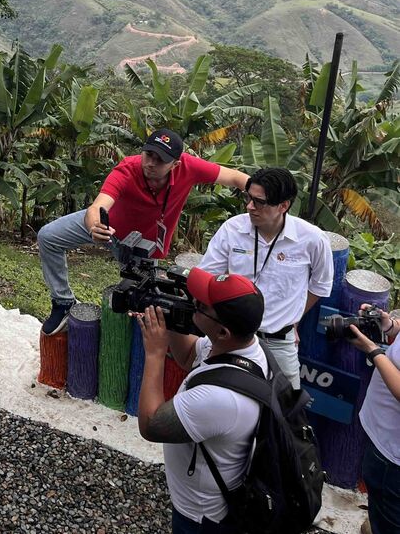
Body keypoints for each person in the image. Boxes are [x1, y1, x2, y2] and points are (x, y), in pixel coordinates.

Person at [38, 128, 249, 334]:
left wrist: (262, 195)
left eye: (160, 159)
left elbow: (235, 178)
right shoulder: (128, 168)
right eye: (148, 154)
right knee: (48, 237)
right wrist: (95, 226)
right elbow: (98, 206)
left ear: (176, 164)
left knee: (141, 304)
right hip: (108, 229)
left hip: (143, 245)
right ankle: (63, 302)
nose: (150, 163)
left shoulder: (190, 167)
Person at [136, 268, 267, 534]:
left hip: (200, 516)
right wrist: (169, 310)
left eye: (200, 304)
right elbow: (187, 357)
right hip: (216, 493)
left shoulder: (219, 400)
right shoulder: (246, 348)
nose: (191, 301)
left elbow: (150, 425)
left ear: (222, 332)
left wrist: (155, 353)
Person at [197, 167, 333, 389]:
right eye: (248, 198)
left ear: (283, 205)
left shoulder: (312, 240)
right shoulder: (233, 229)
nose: (250, 206)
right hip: (231, 335)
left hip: (278, 342)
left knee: (287, 410)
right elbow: (208, 276)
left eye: (259, 202)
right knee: (212, 391)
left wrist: (293, 319)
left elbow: (320, 286)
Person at [348, 305, 400, 534]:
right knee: (379, 502)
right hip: (382, 434)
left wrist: (373, 350)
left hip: (393, 454)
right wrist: (390, 326)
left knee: (388, 513)